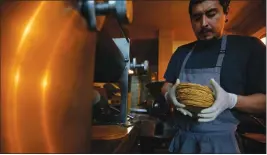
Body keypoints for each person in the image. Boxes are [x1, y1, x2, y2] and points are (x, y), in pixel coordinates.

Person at [161, 0, 266, 153]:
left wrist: (231, 100)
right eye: (197, 17)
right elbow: (166, 85)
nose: (204, 23)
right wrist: (169, 95)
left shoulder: (249, 48)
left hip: (223, 146)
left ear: (226, 12)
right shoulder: (181, 53)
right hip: (183, 144)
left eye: (211, 14)